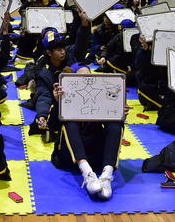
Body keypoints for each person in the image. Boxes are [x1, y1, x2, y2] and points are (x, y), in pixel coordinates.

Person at [47, 67, 127, 200]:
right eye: (80, 78)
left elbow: (114, 130)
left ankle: (106, 175)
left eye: (89, 77)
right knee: (69, 123)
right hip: (71, 155)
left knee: (115, 123)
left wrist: (118, 111)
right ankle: (87, 173)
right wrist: (57, 103)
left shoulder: (100, 96)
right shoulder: (65, 96)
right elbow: (53, 127)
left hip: (97, 153)